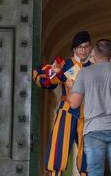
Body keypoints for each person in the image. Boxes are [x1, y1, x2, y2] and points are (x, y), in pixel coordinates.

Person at [69, 39, 111, 176]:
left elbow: (74, 103)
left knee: (94, 171)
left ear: (94, 52)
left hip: (93, 129)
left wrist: (71, 88)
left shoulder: (84, 73)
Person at [33, 31, 92, 176]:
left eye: (86, 47)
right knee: (59, 147)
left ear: (90, 48)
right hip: (67, 111)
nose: (83, 50)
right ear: (74, 48)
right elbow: (41, 76)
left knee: (89, 151)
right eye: (80, 47)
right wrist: (57, 75)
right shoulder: (64, 64)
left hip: (88, 113)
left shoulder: (93, 67)